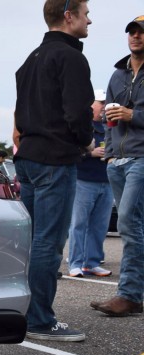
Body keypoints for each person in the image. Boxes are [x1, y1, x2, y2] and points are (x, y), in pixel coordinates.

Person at [14, 0, 94, 341]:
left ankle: (20, 312)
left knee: (28, 242)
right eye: (86, 13)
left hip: (28, 158)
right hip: (54, 159)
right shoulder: (71, 57)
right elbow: (78, 114)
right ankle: (40, 319)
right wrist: (85, 142)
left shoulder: (29, 60)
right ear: (68, 16)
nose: (90, 20)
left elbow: (20, 113)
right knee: (48, 242)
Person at [90, 16, 144, 317]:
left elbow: (126, 115)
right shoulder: (117, 75)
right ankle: (134, 293)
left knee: (126, 223)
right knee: (137, 227)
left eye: (141, 33)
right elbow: (107, 121)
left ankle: (129, 294)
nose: (136, 37)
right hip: (117, 163)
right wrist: (109, 154)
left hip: (141, 159)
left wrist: (132, 115)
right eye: (132, 32)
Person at [66, 89, 113, 278]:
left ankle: (91, 263)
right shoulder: (81, 127)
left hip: (106, 181)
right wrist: (89, 153)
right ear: (90, 104)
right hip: (83, 180)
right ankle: (75, 263)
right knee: (78, 224)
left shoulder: (109, 127)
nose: (103, 106)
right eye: (100, 102)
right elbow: (69, 151)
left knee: (99, 226)